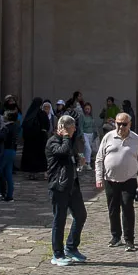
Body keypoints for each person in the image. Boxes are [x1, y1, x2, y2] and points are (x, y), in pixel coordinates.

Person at [94, 110, 138, 251]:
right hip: (110, 179)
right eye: (118, 124)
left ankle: (129, 240)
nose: (121, 127)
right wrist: (99, 178)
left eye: (124, 124)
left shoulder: (135, 139)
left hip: (129, 179)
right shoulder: (108, 137)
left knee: (128, 207)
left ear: (130, 124)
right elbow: (99, 159)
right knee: (113, 209)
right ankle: (116, 237)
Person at [46, 114, 88, 266]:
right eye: (72, 127)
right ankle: (57, 254)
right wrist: (65, 137)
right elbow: (62, 152)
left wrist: (79, 160)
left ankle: (71, 247)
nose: (75, 129)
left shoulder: (69, 141)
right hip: (59, 186)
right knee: (60, 219)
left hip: (72, 185)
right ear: (63, 128)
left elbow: (70, 158)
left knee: (81, 215)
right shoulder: (53, 142)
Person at [20, 98, 50, 179]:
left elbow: (24, 126)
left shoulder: (29, 114)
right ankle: (45, 173)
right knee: (41, 156)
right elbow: (46, 126)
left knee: (32, 156)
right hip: (39, 140)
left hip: (30, 141)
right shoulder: (42, 113)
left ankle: (32, 173)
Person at [0, 109, 20, 202]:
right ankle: (9, 195)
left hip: (5, 150)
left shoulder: (6, 128)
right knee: (8, 173)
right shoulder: (16, 127)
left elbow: (0, 137)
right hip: (12, 151)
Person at [79, 101, 99, 166]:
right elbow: (80, 127)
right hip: (85, 134)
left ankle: (83, 163)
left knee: (86, 150)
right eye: (86, 109)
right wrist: (82, 136)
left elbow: (93, 126)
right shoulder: (82, 116)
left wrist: (95, 134)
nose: (87, 110)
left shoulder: (91, 117)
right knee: (88, 149)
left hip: (91, 134)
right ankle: (88, 163)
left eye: (88, 109)